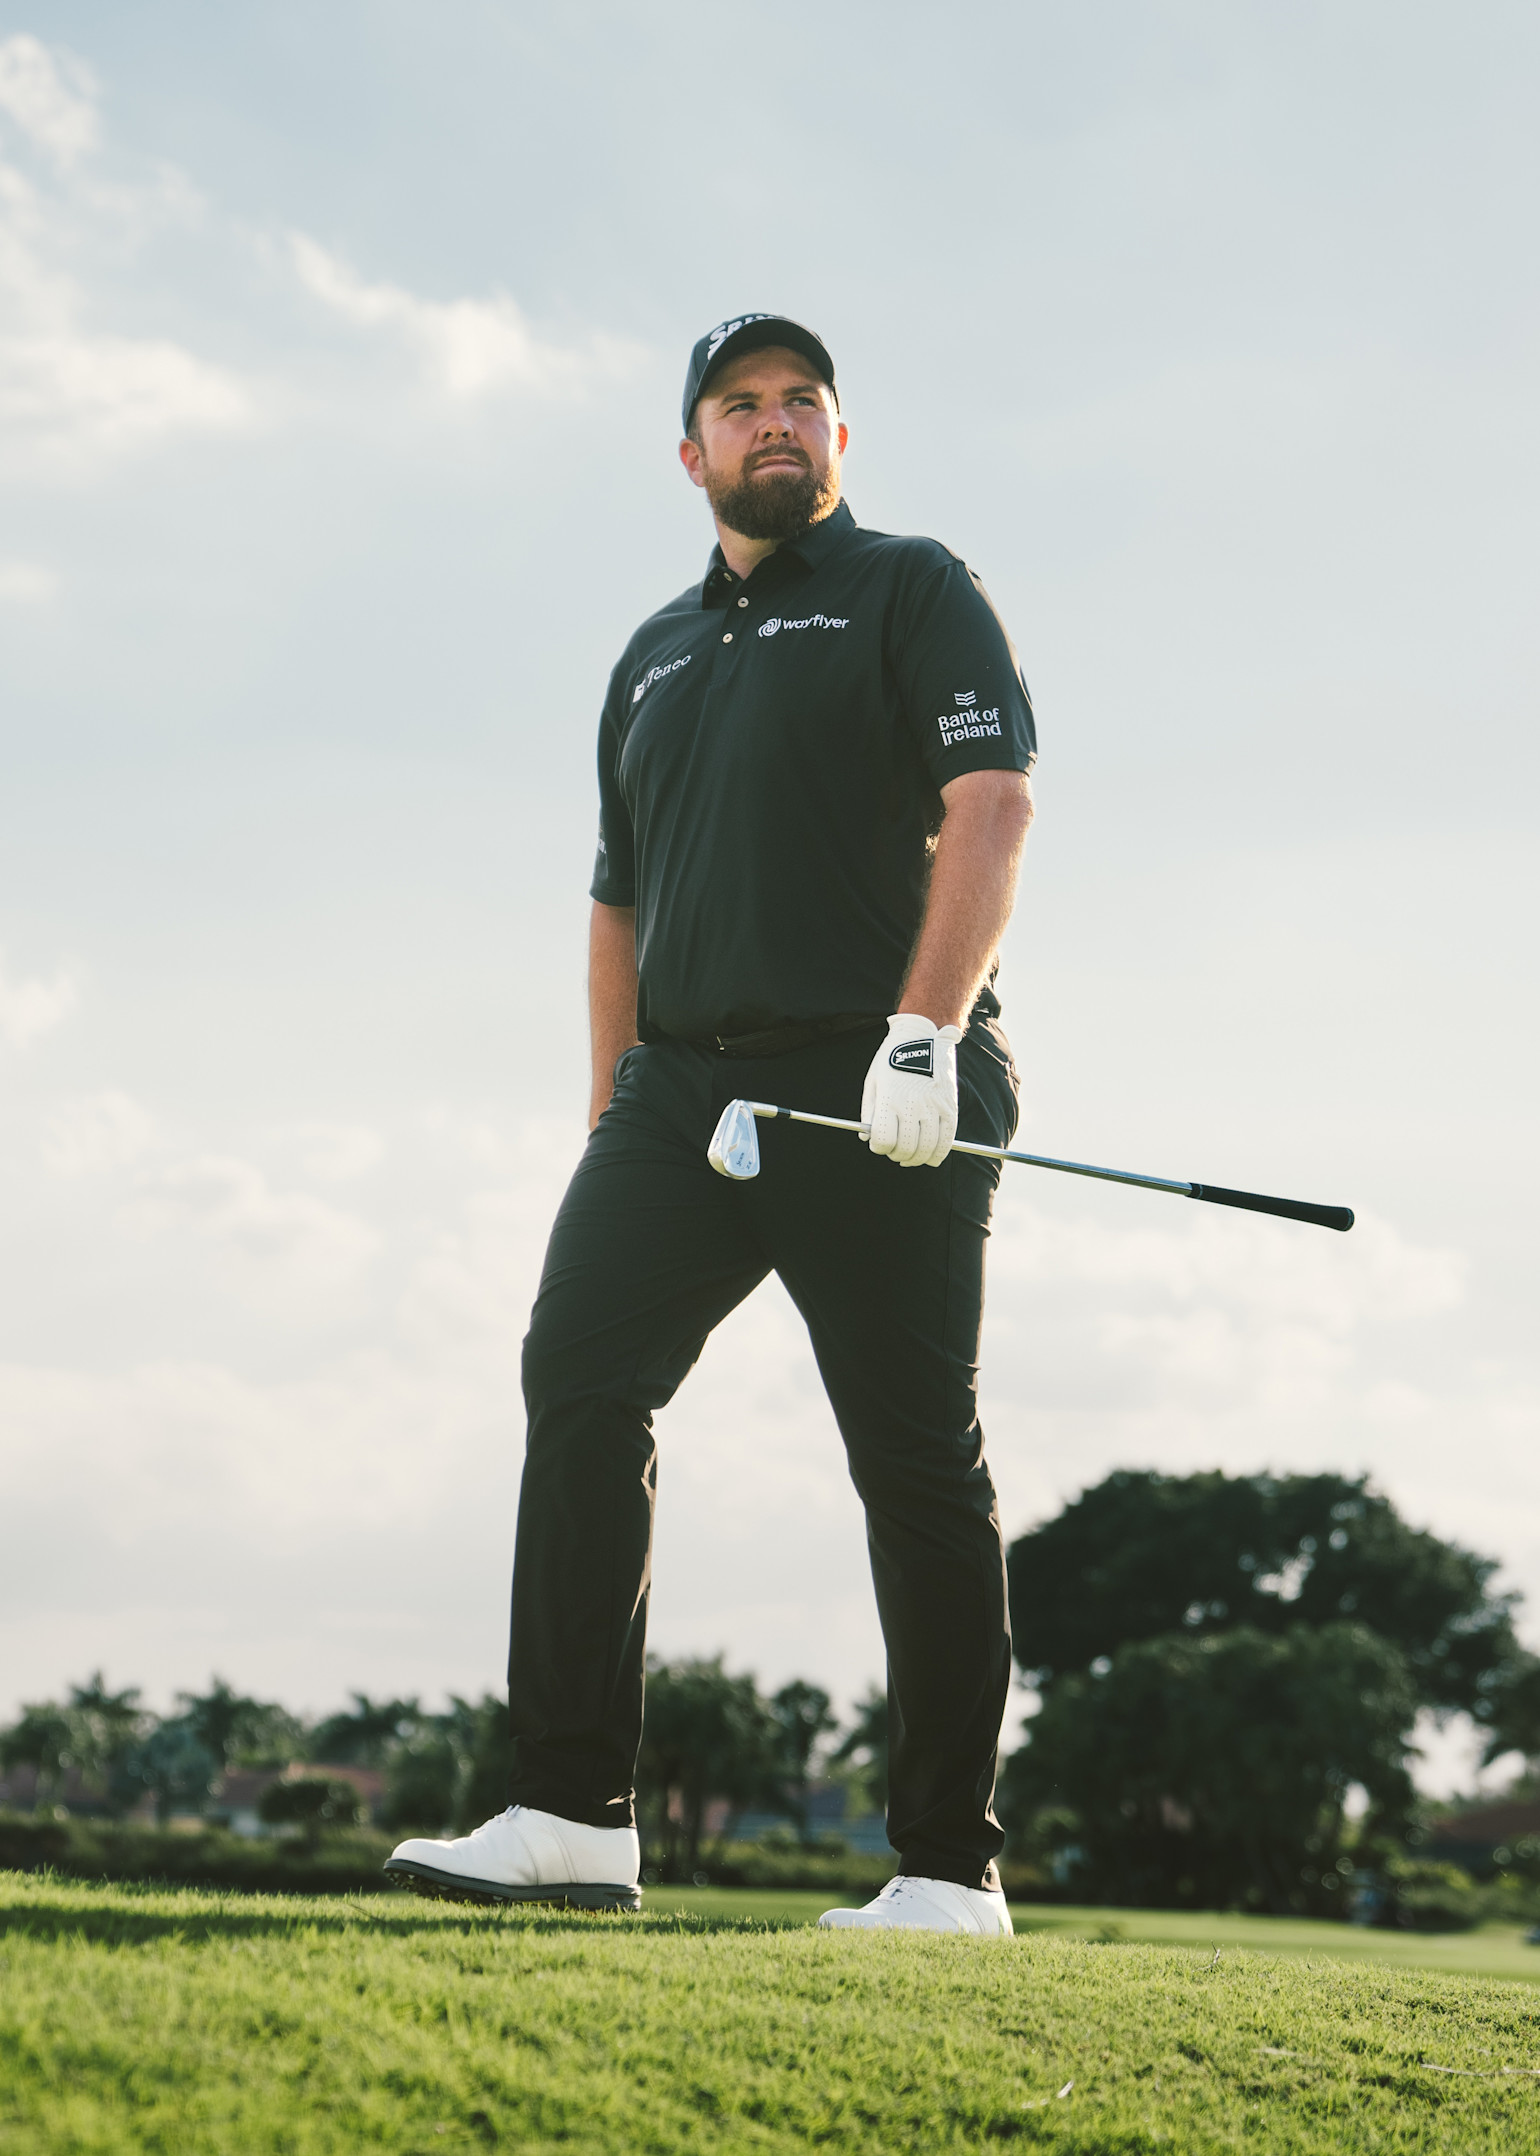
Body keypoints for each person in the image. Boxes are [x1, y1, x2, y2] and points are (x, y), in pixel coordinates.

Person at [387, 314, 1036, 1934]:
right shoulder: (652, 654)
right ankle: (570, 1814)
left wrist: (922, 1035)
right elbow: (616, 901)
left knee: (911, 1450)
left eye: (804, 400)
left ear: (839, 438)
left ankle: (949, 1869)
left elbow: (992, 805)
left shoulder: (912, 587)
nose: (776, 421)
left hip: (876, 1076)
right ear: (693, 455)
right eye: (741, 405)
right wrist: (615, 1098)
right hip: (681, 1089)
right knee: (579, 1377)